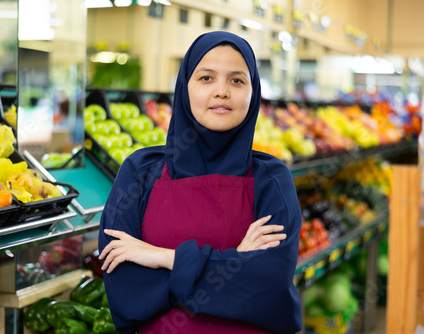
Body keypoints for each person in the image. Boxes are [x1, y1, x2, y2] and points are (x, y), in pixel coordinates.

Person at [98, 31, 302, 334]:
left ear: (253, 91)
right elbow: (125, 288)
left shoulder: (271, 179)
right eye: (206, 78)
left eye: (236, 80)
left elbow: (269, 284)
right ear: (185, 87)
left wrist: (163, 258)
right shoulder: (140, 172)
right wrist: (235, 261)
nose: (221, 91)